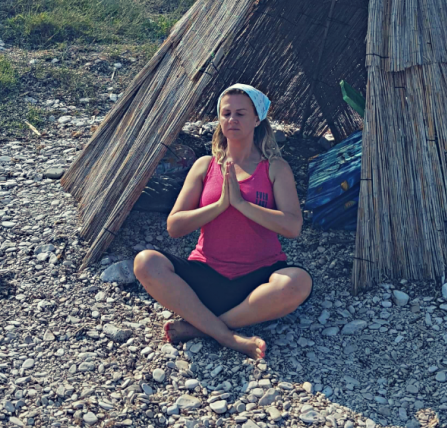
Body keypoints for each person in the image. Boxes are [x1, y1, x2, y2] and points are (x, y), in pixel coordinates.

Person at [134, 83, 313, 359]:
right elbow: (175, 227)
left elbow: (292, 226)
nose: (232, 120)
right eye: (226, 113)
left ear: (257, 119)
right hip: (206, 275)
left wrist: (242, 205)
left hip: (257, 282)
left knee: (298, 282)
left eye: (241, 114)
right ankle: (228, 336)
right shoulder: (205, 165)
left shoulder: (276, 167)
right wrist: (220, 206)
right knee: (145, 261)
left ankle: (200, 326)